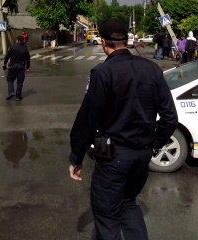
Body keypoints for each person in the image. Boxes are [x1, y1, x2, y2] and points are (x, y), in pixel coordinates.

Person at [69, 18, 178, 240]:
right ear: (127, 40)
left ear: (103, 43)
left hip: (113, 156)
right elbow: (170, 117)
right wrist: (154, 144)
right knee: (128, 205)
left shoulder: (103, 72)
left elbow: (87, 120)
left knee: (107, 216)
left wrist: (76, 157)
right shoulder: (152, 69)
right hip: (141, 156)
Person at [3, 36, 30, 101]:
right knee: (20, 82)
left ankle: (11, 92)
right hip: (21, 67)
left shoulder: (12, 47)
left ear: (17, 40)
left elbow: (7, 56)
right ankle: (18, 96)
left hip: (13, 66)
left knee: (10, 79)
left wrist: (5, 64)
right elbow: (28, 59)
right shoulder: (25, 49)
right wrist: (28, 67)